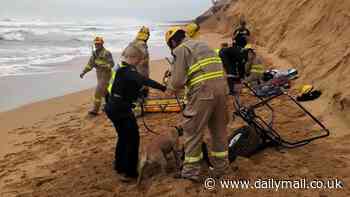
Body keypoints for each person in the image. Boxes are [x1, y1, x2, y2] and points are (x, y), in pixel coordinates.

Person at [165, 26, 229, 182]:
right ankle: (221, 168)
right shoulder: (203, 45)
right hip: (222, 91)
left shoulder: (181, 49)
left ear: (173, 41)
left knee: (192, 131)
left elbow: (178, 81)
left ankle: (190, 172)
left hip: (203, 93)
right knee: (219, 131)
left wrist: (170, 87)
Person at [104, 44, 166, 182]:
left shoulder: (118, 68)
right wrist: (163, 88)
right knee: (133, 139)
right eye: (139, 60)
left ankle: (119, 165)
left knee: (123, 136)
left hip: (112, 106)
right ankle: (130, 172)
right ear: (132, 58)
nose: (140, 63)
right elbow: (143, 80)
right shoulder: (128, 71)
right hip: (120, 109)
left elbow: (115, 88)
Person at [80, 36, 114, 116]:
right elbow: (90, 65)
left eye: (98, 44)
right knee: (105, 92)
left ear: (102, 44)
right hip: (99, 75)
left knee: (98, 93)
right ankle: (109, 106)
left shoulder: (107, 53)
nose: (97, 45)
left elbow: (112, 64)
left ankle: (95, 110)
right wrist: (84, 72)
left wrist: (102, 65)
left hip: (106, 75)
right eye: (96, 44)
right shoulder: (94, 54)